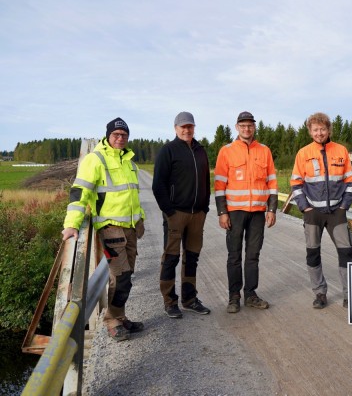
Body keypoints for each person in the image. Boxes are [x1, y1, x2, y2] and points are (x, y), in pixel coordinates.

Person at [62, 117, 145, 342]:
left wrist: (141, 219)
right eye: (116, 135)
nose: (120, 138)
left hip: (129, 228)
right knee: (120, 276)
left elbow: (133, 195)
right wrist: (72, 223)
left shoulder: (129, 161)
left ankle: (120, 315)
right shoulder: (95, 159)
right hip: (110, 229)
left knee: (127, 276)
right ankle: (112, 321)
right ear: (108, 136)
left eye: (124, 135)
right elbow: (80, 192)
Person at [290, 112, 352, 309]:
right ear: (310, 131)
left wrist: (344, 206)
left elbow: (350, 182)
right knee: (313, 253)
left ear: (329, 130)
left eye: (323, 129)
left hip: (337, 212)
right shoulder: (303, 153)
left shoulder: (341, 151)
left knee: (346, 253)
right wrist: (305, 208)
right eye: (315, 129)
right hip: (313, 213)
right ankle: (319, 293)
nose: (319, 133)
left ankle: (350, 295)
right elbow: (296, 184)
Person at [214, 111, 278, 313]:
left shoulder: (264, 151)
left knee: (253, 255)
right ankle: (234, 297)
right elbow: (220, 183)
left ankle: (251, 294)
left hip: (258, 212)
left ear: (254, 127)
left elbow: (272, 182)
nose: (247, 129)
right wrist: (222, 211)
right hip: (234, 212)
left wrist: (272, 208)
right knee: (234, 256)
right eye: (243, 125)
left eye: (250, 125)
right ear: (237, 127)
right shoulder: (227, 151)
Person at [152, 111, 211, 318]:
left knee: (192, 257)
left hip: (197, 214)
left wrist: (205, 207)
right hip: (175, 214)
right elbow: (158, 185)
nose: (187, 130)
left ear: (194, 128)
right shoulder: (168, 150)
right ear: (176, 128)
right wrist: (169, 211)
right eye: (183, 127)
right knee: (171, 258)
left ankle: (189, 299)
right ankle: (170, 302)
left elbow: (206, 181)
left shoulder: (200, 150)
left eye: (190, 126)